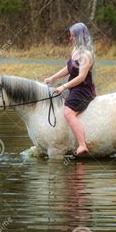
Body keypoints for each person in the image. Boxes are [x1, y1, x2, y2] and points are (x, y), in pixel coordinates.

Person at [44, 22, 96, 156]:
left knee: (68, 113)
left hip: (83, 90)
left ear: (79, 36)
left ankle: (82, 145)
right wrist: (52, 78)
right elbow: (69, 68)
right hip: (74, 88)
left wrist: (63, 86)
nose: (70, 38)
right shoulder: (75, 51)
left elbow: (81, 77)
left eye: (72, 36)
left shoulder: (86, 55)